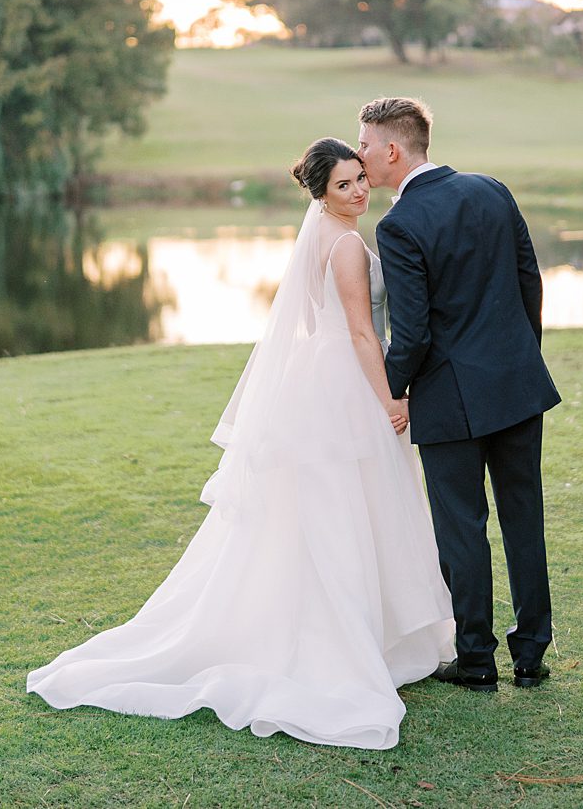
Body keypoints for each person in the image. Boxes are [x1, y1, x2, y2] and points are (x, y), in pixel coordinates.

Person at [27, 138, 453, 750]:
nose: (359, 191)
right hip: (349, 386)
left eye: (362, 178)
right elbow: (362, 332)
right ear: (322, 194)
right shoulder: (350, 245)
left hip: (316, 382)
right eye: (344, 185)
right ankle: (356, 641)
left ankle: (359, 629)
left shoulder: (318, 237)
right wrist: (390, 398)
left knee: (328, 511)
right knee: (350, 509)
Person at [357, 97, 561, 693]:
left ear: (392, 151)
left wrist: (388, 391)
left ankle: (474, 658)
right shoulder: (492, 190)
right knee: (524, 515)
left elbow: (412, 333)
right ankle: (531, 655)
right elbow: (530, 281)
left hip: (451, 399)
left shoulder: (398, 226)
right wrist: (520, 356)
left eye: (365, 145)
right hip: (518, 384)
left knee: (462, 528)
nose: (361, 155)